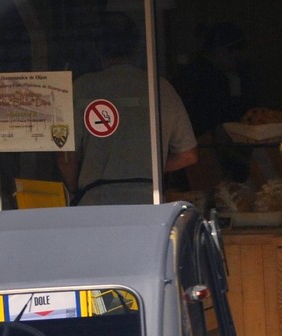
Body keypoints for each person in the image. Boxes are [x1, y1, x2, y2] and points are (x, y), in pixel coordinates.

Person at [58, 14, 197, 205]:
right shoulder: (159, 88)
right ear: (136, 49)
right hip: (149, 199)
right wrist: (145, 169)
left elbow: (66, 157)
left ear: (97, 48)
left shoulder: (82, 88)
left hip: (95, 200)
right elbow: (188, 155)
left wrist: (73, 190)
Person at [177, 21, 251, 137]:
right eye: (235, 58)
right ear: (221, 52)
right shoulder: (209, 78)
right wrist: (234, 86)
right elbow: (230, 120)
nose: (236, 65)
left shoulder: (199, 72)